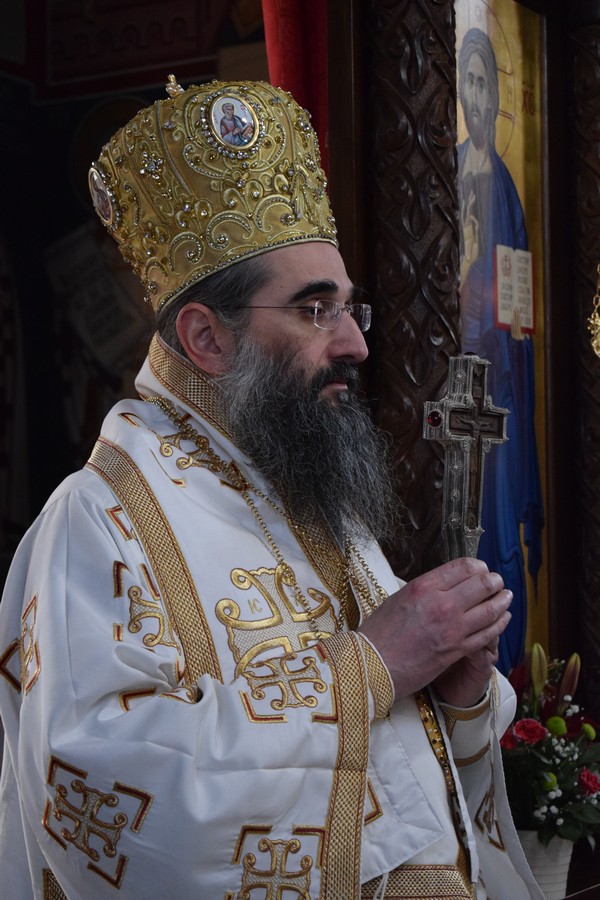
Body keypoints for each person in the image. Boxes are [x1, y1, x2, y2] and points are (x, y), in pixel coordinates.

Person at [0, 77, 543, 899]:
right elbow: (100, 798)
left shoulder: (309, 500)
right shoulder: (101, 521)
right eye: (316, 309)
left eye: (350, 309)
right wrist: (369, 670)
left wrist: (454, 705)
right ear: (206, 338)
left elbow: (408, 798)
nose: (355, 343)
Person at [457, 28, 545, 674]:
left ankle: (508, 668)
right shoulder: (451, 167)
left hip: (500, 386)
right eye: (468, 81)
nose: (476, 94)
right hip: (454, 383)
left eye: (484, 81)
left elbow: (518, 307)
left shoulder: (506, 188)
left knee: (500, 514)